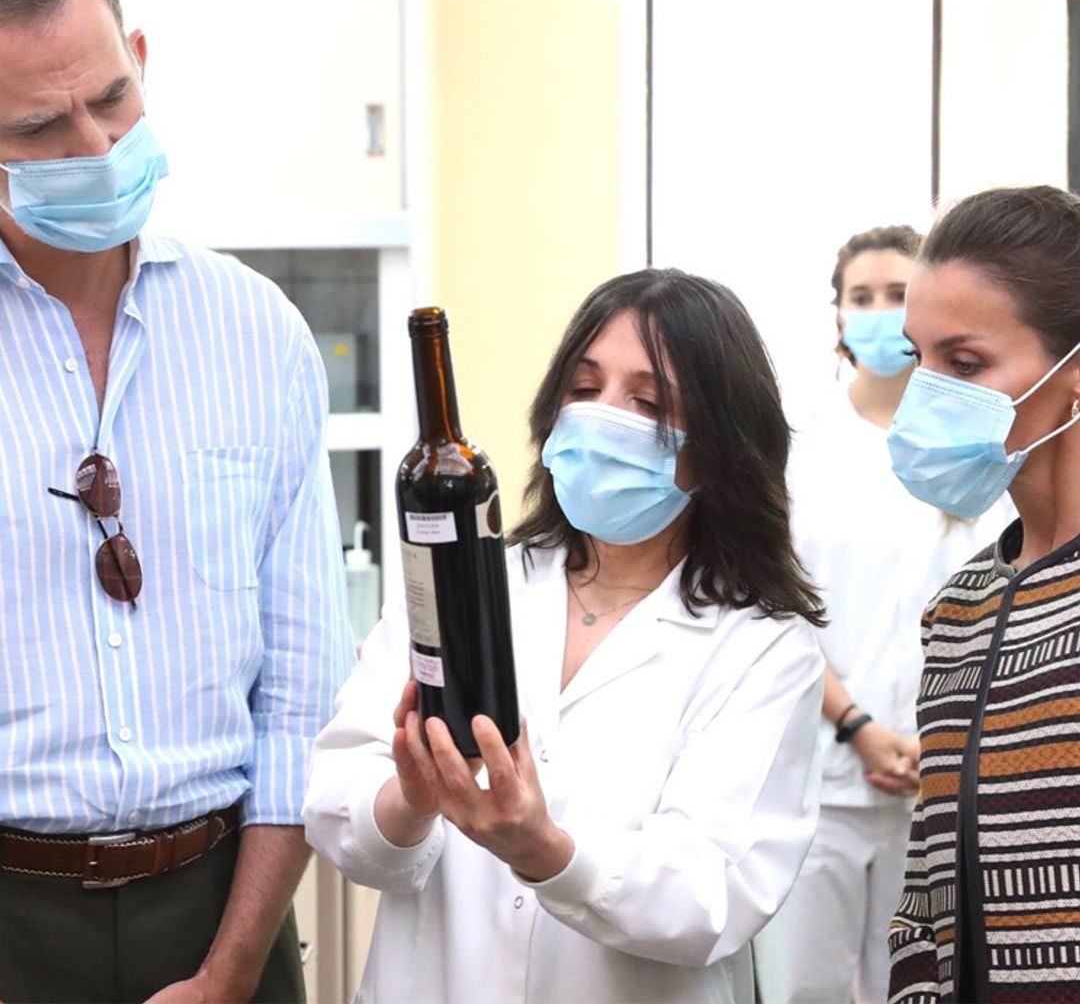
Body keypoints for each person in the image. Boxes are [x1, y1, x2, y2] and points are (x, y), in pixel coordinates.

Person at [304, 267, 827, 1003]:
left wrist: (546, 852)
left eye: (646, 402)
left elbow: (715, 896)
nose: (601, 417)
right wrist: (409, 799)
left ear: (718, 451)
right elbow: (336, 800)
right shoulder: (467, 580)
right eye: (585, 390)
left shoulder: (761, 647)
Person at [0, 0, 353, 1001]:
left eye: (110, 98)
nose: (96, 149)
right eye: (40, 128)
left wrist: (232, 968)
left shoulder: (260, 333)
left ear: (140, 55)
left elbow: (301, 695)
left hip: (223, 910)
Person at [752, 227, 1011, 1003]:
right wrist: (858, 724)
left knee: (926, 986)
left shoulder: (974, 450)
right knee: (807, 991)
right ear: (837, 317)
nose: (878, 312)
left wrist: (935, 743)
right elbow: (773, 604)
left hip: (940, 786)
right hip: (818, 783)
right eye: (860, 297)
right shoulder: (797, 449)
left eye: (897, 295)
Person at [886, 185, 1080, 1003]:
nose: (926, 393)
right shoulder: (960, 608)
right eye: (915, 359)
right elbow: (928, 887)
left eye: (964, 364)